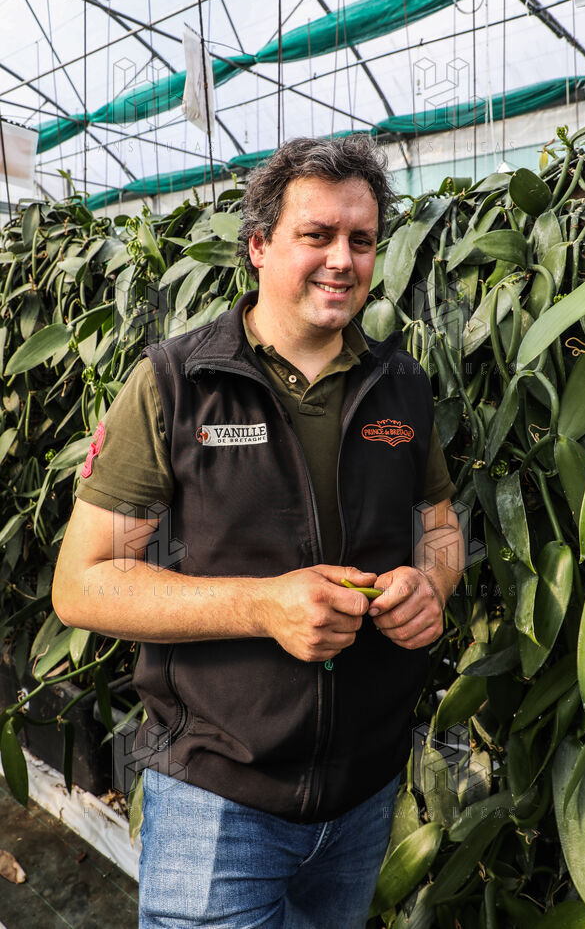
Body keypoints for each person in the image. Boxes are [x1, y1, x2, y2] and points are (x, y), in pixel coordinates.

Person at [52, 135, 464, 929]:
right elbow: (83, 583)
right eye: (316, 235)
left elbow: (440, 528)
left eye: (361, 240)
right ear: (259, 246)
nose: (341, 260)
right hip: (217, 798)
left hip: (364, 793)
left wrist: (430, 584)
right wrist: (261, 606)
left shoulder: (401, 386)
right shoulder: (176, 385)